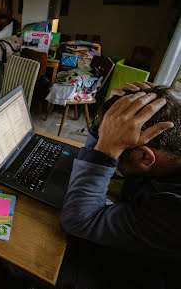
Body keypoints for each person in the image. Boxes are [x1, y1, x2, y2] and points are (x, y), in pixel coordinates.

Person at [59, 84, 181, 289]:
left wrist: (107, 148)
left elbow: (79, 221)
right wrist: (105, 123)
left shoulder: (175, 209)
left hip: (140, 275)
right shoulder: (169, 154)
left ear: (144, 157)